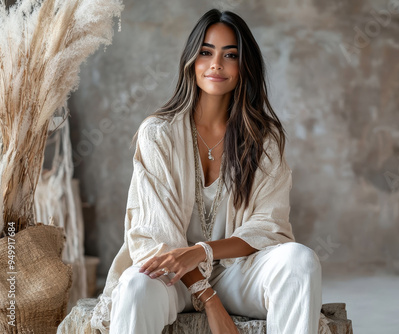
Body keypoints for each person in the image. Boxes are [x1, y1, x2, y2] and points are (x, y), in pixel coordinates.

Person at [90, 8, 324, 334]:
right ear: (192, 61)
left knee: (300, 261)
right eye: (206, 52)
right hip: (174, 279)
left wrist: (204, 251)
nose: (216, 64)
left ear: (245, 67)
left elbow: (267, 226)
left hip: (237, 272)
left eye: (230, 55)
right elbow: (156, 234)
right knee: (135, 286)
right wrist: (209, 299)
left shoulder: (262, 138)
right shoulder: (158, 134)